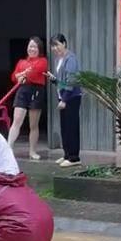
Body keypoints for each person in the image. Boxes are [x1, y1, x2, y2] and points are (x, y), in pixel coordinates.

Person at [7, 36, 49, 161]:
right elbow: (13, 77)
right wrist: (19, 76)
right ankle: (8, 148)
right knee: (16, 121)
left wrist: (21, 74)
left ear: (39, 49)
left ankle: (32, 151)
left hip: (36, 91)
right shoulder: (21, 62)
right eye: (30, 46)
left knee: (33, 124)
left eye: (35, 47)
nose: (32, 49)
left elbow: (34, 71)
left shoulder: (43, 61)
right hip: (23, 90)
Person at [47, 34, 82, 167]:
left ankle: (74, 157)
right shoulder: (58, 59)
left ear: (64, 43)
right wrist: (54, 80)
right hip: (63, 96)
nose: (55, 48)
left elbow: (71, 81)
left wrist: (65, 100)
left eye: (57, 45)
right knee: (65, 127)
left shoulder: (70, 58)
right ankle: (67, 154)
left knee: (71, 127)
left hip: (71, 97)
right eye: (53, 46)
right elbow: (61, 81)